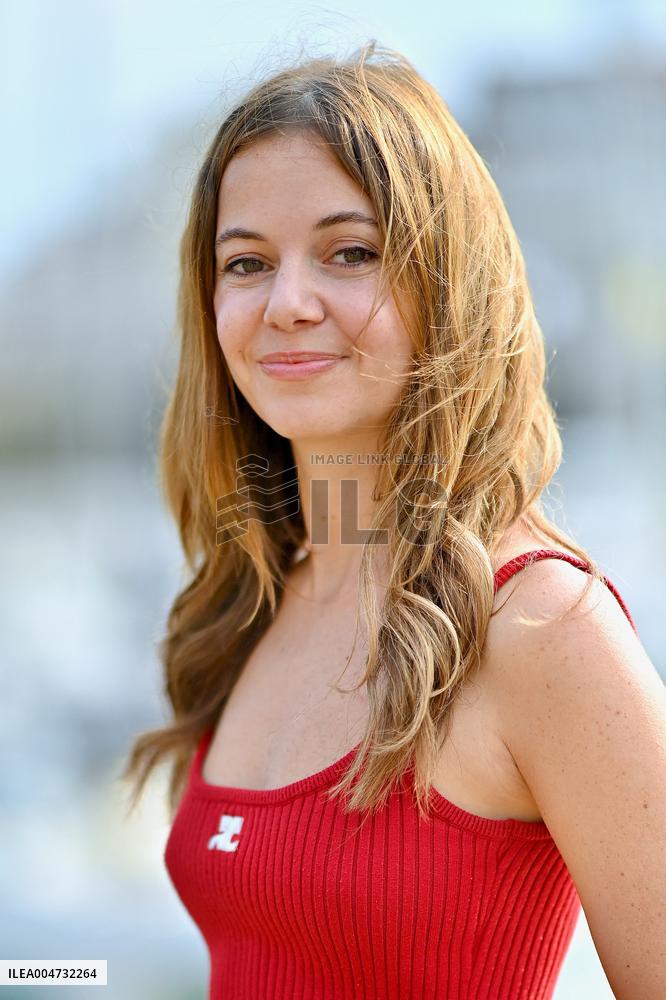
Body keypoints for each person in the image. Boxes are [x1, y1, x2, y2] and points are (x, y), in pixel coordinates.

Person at [122, 41, 666, 1000]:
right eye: (247, 263)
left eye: (350, 253)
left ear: (444, 284)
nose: (288, 303)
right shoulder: (250, 607)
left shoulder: (541, 625)